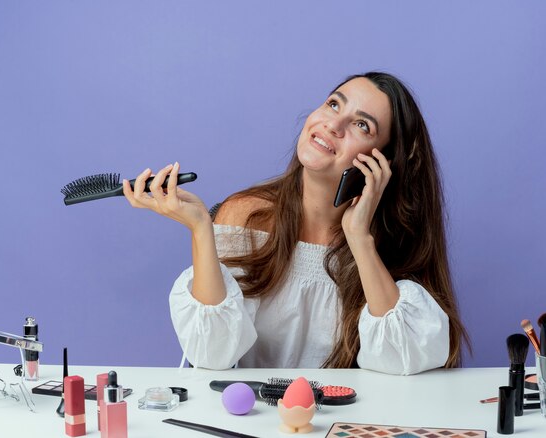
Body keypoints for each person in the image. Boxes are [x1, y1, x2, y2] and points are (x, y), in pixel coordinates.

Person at [123, 72, 469, 375]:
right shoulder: (246, 215)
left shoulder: (390, 241)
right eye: (334, 104)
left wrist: (359, 238)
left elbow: (404, 360)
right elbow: (211, 354)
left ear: (382, 161)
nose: (333, 125)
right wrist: (201, 230)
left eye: (361, 125)